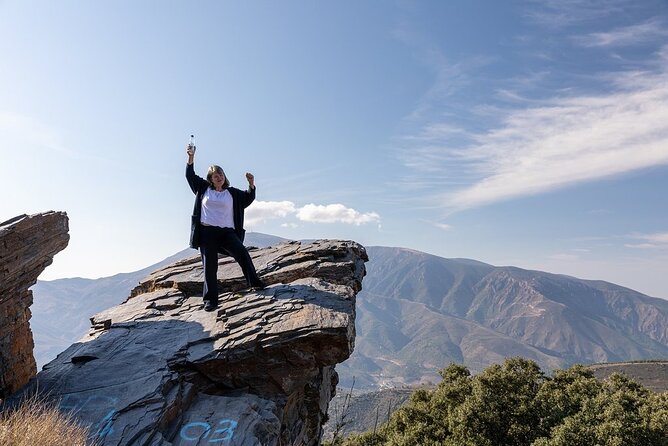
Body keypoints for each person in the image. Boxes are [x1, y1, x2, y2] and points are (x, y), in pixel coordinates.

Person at [185, 143, 265, 311]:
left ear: (224, 176)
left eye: (220, 174)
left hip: (227, 233)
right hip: (207, 233)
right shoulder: (203, 188)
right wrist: (191, 157)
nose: (218, 177)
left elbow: (248, 199)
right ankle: (210, 300)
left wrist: (251, 185)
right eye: (214, 175)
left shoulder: (232, 193)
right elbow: (190, 175)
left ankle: (255, 283)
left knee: (242, 253)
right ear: (210, 179)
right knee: (210, 266)